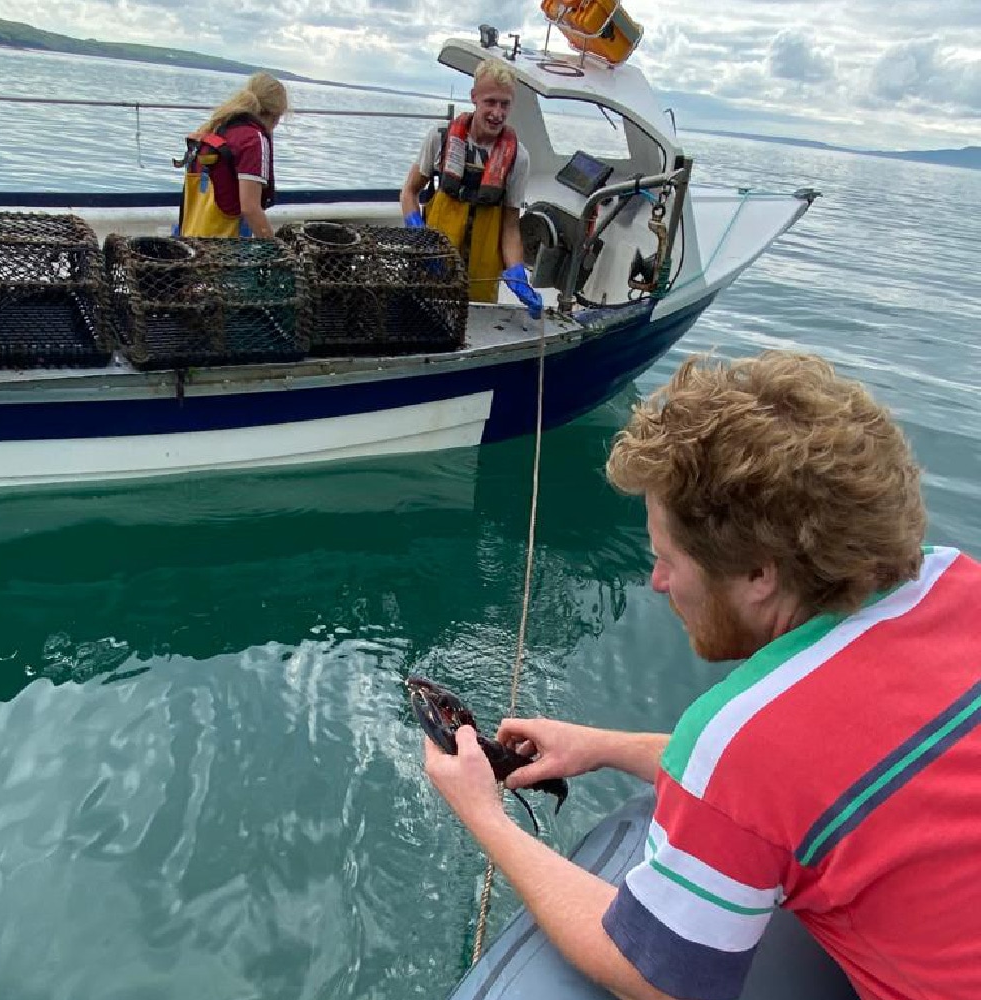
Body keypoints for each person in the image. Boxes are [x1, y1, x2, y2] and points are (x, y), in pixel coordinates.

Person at [424, 351, 981, 1000]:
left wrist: (483, 814)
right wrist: (602, 747)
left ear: (759, 574)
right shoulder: (954, 579)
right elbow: (795, 785)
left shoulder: (745, 737)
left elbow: (655, 974)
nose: (657, 581)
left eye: (667, 559)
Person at [399, 58, 542, 318]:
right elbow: (409, 191)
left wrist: (517, 272)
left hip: (481, 274)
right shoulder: (440, 137)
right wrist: (418, 233)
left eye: (505, 104)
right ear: (474, 97)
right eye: (490, 102)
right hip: (433, 260)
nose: (497, 113)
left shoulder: (518, 158)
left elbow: (510, 226)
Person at [175, 72, 288, 239]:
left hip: (193, 240)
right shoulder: (253, 139)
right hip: (226, 249)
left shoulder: (215, 127)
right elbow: (250, 208)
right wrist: (275, 247)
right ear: (276, 114)